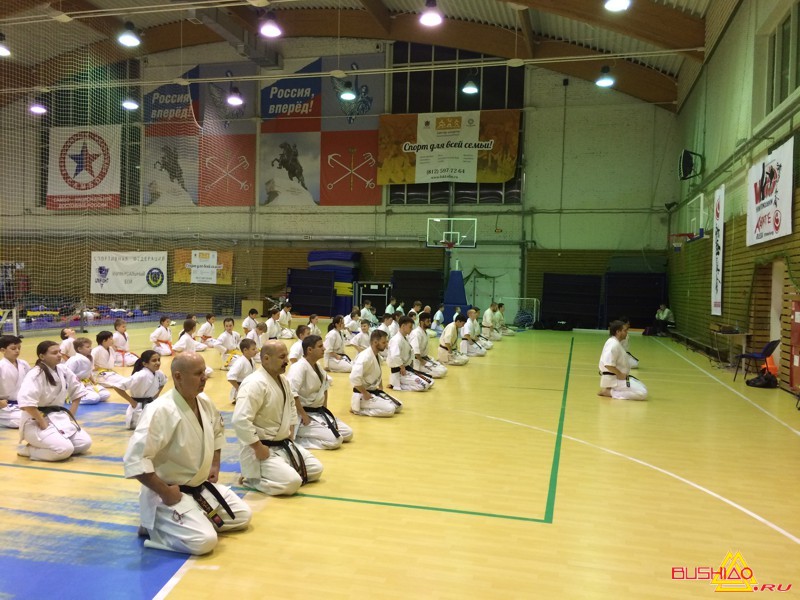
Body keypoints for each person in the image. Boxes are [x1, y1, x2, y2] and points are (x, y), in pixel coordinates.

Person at [123, 352, 252, 554]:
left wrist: (215, 464)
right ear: (178, 376)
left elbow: (217, 432)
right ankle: (153, 524)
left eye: (204, 372)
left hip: (200, 487)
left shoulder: (204, 401)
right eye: (198, 373)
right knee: (204, 541)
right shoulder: (160, 410)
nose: (204, 378)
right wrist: (165, 492)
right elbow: (136, 459)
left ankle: (191, 517)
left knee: (242, 516)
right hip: (170, 493)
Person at [232, 341, 324, 496]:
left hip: (283, 444)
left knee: (316, 469)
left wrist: (291, 430)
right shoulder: (254, 383)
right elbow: (240, 420)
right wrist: (258, 448)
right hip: (262, 449)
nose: (287, 360)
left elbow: (292, 407)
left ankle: (279, 470)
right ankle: (251, 478)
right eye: (282, 357)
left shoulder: (283, 380)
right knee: (292, 483)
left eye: (286, 356)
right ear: (266, 359)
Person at [17, 340, 92, 461]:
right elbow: (27, 404)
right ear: (42, 356)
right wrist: (42, 422)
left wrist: (71, 416)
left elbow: (78, 392)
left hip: (58, 417)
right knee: (64, 450)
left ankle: (49, 445)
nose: (59, 355)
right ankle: (28, 450)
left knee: (84, 444)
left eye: (60, 352)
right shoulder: (35, 374)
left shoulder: (63, 369)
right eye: (54, 353)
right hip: (35, 421)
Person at [287, 335, 353, 450]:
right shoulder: (298, 367)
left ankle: (320, 430)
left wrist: (325, 408)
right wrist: (304, 415)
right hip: (303, 416)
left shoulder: (317, 366)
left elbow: (325, 387)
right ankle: (298, 440)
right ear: (310, 350)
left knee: (348, 433)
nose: (324, 349)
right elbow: (292, 394)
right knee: (335, 441)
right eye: (320, 346)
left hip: (318, 412)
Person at [349, 330, 401, 417]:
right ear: (375, 342)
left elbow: (377, 373)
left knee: (398, 406)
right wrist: (365, 393)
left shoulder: (377, 355)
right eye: (384, 342)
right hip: (363, 394)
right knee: (390, 409)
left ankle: (366, 405)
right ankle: (358, 409)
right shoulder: (365, 357)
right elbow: (354, 378)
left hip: (373, 391)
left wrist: (380, 387)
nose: (386, 344)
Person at [598, 320, 648, 400]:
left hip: (618, 378)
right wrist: (620, 374)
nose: (627, 333)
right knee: (643, 393)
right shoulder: (613, 344)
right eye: (624, 330)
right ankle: (610, 392)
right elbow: (608, 364)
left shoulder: (616, 342)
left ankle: (612, 390)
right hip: (614, 379)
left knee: (643, 387)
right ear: (618, 332)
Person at [120, 350, 167, 430]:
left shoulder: (159, 373)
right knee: (153, 428)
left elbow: (163, 382)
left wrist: (157, 394)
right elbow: (118, 386)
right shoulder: (140, 375)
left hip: (150, 405)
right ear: (145, 364)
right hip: (138, 409)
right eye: (154, 360)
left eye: (159, 360)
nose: (158, 363)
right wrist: (132, 401)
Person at [387, 316, 434, 392]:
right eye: (410, 327)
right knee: (424, 385)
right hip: (400, 372)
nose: (412, 329)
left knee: (430, 381)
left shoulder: (405, 338)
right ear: (403, 326)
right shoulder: (396, 340)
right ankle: (396, 385)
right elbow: (395, 356)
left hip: (407, 369)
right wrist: (402, 367)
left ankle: (399, 383)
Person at [64, 337, 112, 404]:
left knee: (105, 395)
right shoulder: (74, 359)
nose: (90, 348)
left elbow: (89, 373)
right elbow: (67, 375)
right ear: (79, 349)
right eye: (87, 347)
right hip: (75, 385)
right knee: (94, 398)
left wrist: (94, 382)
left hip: (87, 383)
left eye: (90, 346)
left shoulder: (89, 357)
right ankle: (72, 399)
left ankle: (87, 394)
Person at [0, 335, 28, 428]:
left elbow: (31, 383)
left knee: (42, 416)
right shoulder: (1, 366)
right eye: (13, 348)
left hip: (23, 404)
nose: (17, 351)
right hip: (5, 407)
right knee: (25, 420)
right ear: (3, 350)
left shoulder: (23, 364)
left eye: (19, 348)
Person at [409, 312, 447, 378]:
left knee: (444, 369)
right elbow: (415, 352)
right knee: (441, 372)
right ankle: (417, 372)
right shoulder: (416, 333)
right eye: (428, 321)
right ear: (421, 322)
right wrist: (423, 361)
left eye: (430, 321)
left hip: (424, 358)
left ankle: (425, 370)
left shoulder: (425, 332)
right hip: (417, 362)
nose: (430, 323)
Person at [227, 339, 259, 404]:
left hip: (248, 387)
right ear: (245, 350)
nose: (256, 351)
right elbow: (230, 377)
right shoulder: (240, 362)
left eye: (255, 348)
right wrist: (238, 389)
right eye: (253, 349)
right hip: (241, 389)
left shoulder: (251, 360)